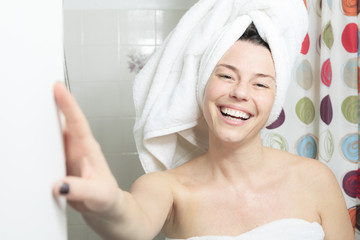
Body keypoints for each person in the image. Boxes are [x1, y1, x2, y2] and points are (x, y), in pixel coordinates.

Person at [53, 1, 354, 239]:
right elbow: (133, 222)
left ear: (275, 99)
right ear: (202, 85)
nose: (240, 93)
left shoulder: (316, 180)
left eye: (260, 83)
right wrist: (109, 205)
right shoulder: (168, 188)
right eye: (226, 75)